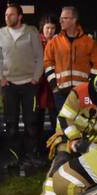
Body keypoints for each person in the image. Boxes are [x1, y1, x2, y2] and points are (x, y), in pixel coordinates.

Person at [0, 4, 44, 165]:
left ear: (20, 16)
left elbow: (39, 57)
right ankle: (14, 156)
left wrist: (36, 77)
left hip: (29, 84)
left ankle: (31, 155)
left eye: (11, 14)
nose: (7, 17)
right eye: (5, 15)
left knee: (31, 123)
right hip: (9, 85)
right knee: (11, 123)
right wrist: (1, 77)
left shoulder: (31, 32)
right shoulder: (2, 33)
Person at [43, 5, 97, 110]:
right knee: (64, 124)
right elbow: (48, 64)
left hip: (83, 92)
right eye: (60, 18)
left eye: (64, 18)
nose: (60, 21)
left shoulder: (89, 41)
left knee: (82, 123)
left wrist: (89, 87)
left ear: (74, 20)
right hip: (61, 93)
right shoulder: (53, 42)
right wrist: (54, 86)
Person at [34, 15, 58, 147]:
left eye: (52, 28)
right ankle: (37, 147)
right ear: (42, 28)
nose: (50, 31)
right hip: (40, 84)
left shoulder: (58, 41)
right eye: (47, 28)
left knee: (56, 116)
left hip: (54, 84)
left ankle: (56, 146)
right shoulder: (36, 41)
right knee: (38, 117)